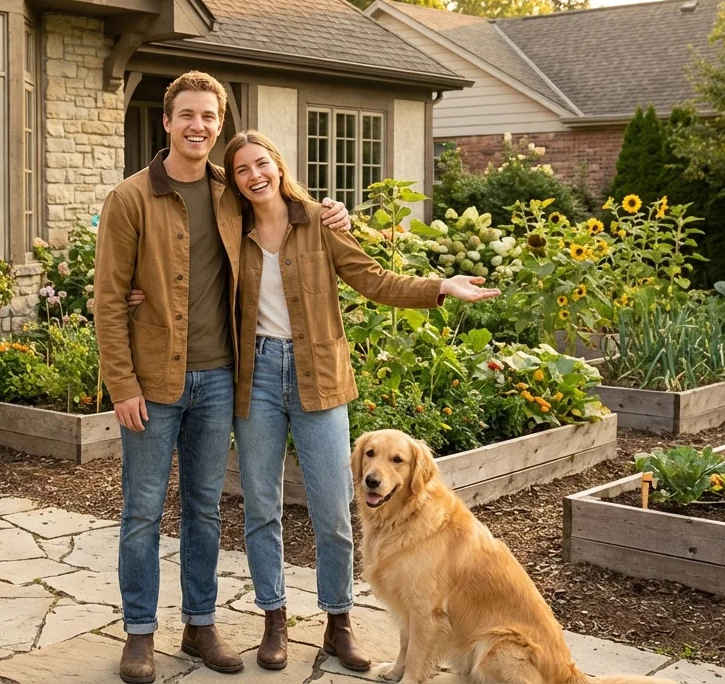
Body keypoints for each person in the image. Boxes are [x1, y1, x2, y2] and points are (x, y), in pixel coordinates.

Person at [93, 72, 350, 684]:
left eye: (208, 116)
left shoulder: (229, 192)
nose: (198, 125)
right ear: (166, 121)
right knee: (142, 512)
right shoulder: (131, 199)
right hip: (153, 385)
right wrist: (122, 385)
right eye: (186, 114)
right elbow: (108, 298)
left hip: (219, 380)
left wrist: (333, 212)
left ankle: (200, 624)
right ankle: (139, 633)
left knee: (205, 511)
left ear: (219, 124)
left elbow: (281, 208)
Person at [221, 130, 498, 672]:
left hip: (320, 376)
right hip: (255, 376)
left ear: (278, 165)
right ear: (233, 181)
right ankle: (274, 620)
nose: (254, 176)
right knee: (261, 508)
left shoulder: (319, 224)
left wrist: (440, 286)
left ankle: (337, 623)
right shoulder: (230, 229)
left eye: (261, 164)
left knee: (333, 511)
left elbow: (374, 279)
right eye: (241, 170)